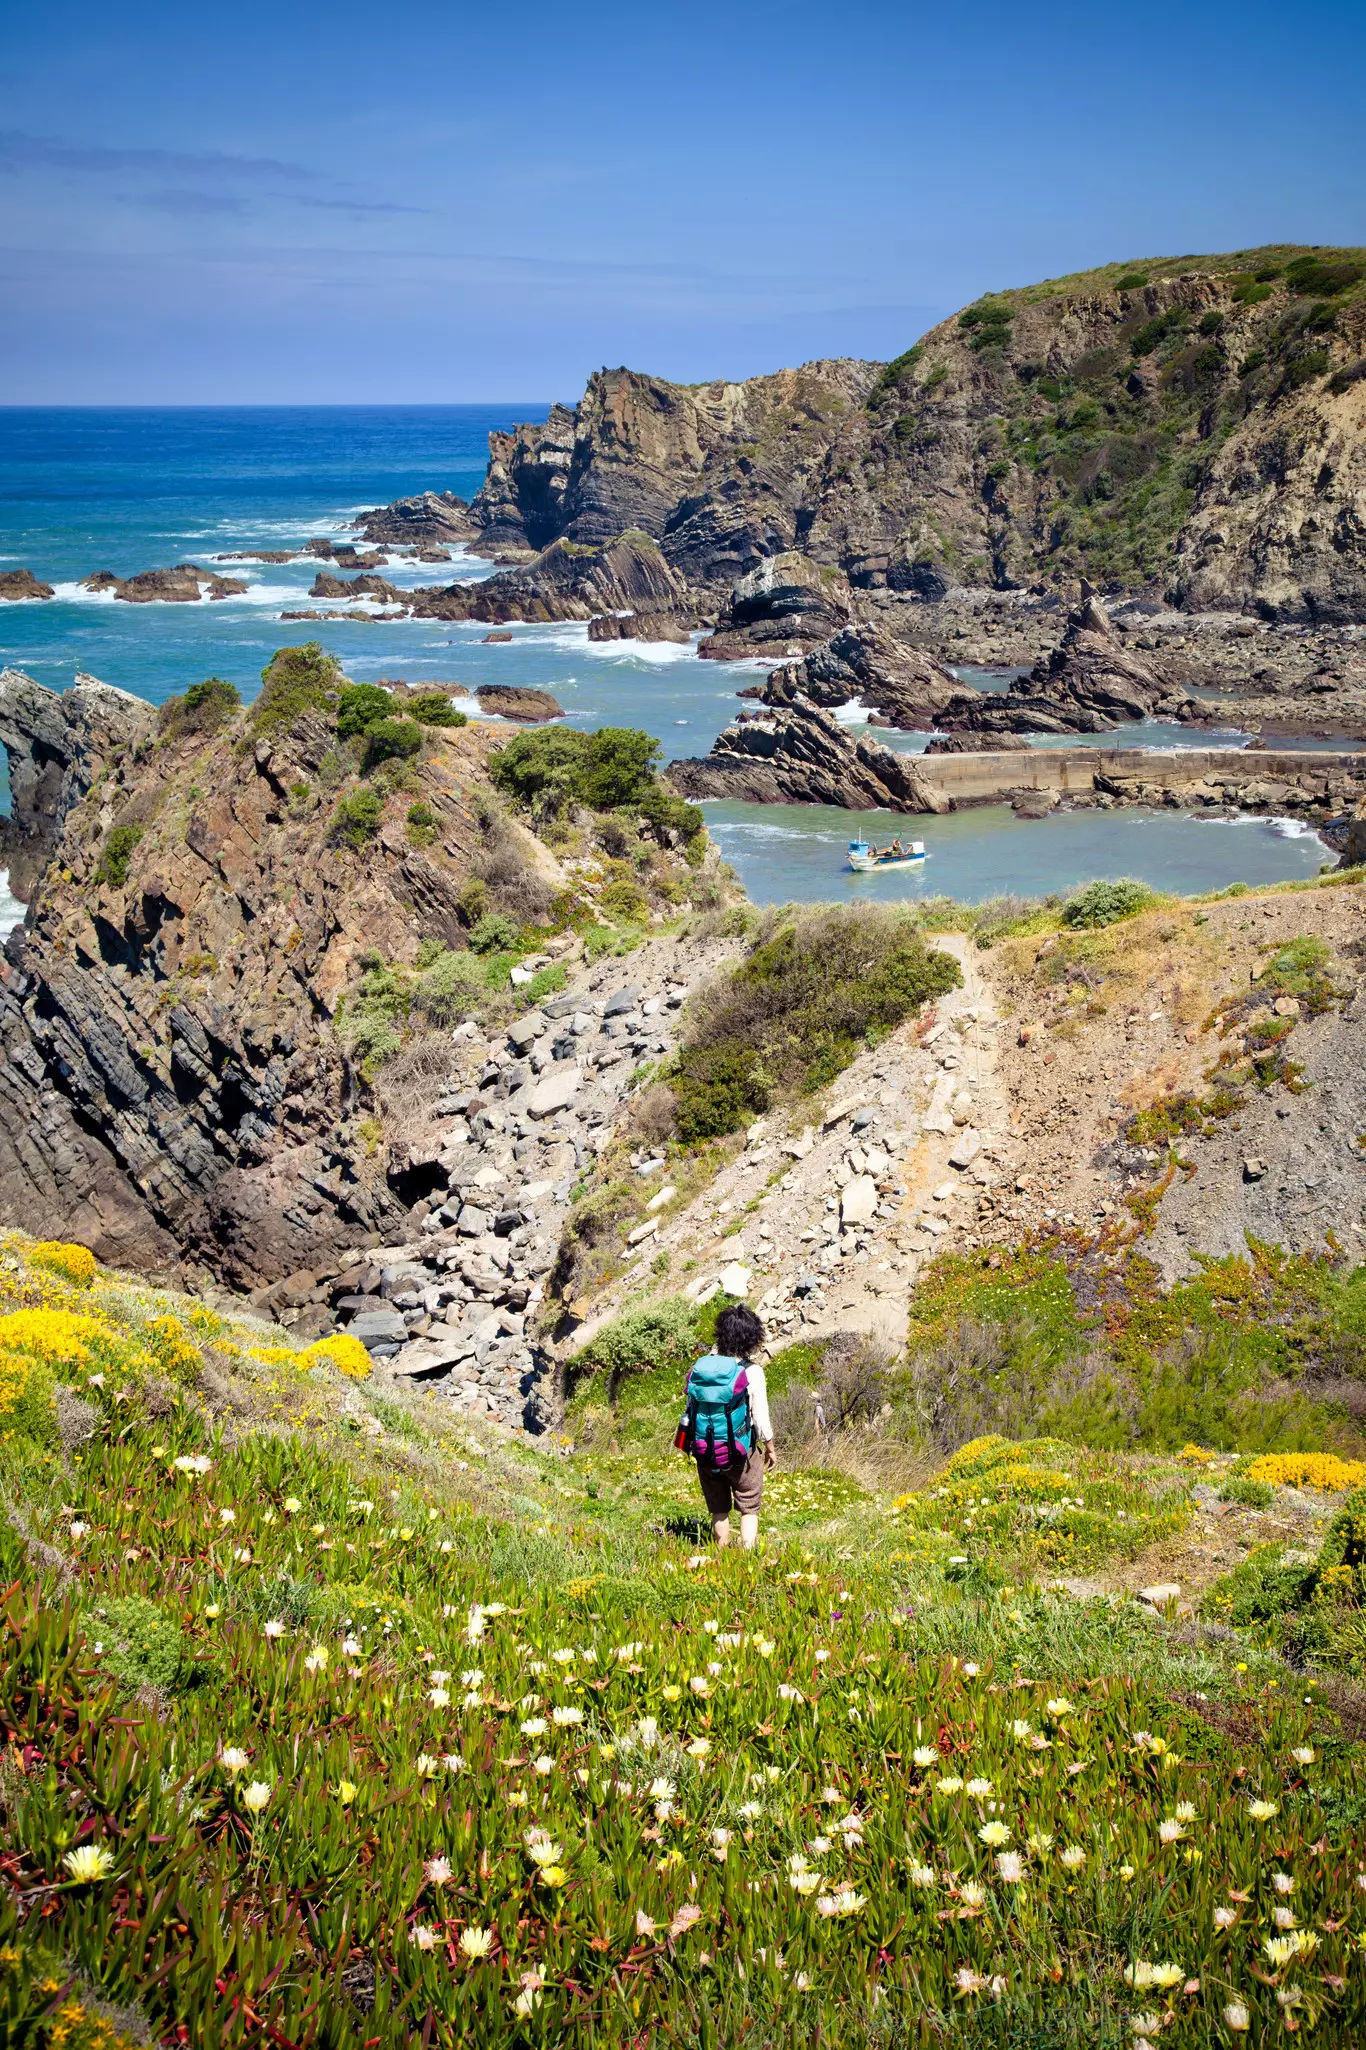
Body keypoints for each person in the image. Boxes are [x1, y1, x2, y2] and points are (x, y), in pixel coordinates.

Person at [675, 1303, 776, 1550]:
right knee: (749, 1505)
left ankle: (721, 1554)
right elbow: (760, 1417)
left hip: (706, 1450)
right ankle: (746, 1557)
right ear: (752, 1338)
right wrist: (770, 1448)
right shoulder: (752, 1372)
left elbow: (691, 1406)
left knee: (718, 1508)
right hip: (741, 1452)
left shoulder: (701, 1368)